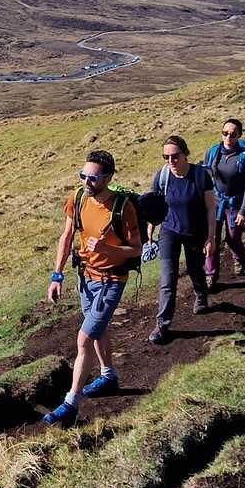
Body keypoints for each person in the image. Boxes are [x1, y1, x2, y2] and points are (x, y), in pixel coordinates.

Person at [43, 149, 145, 426]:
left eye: (93, 177)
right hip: (86, 278)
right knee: (98, 331)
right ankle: (109, 376)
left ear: (108, 178)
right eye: (83, 176)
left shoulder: (123, 208)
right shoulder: (77, 199)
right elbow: (66, 236)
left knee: (84, 339)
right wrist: (57, 275)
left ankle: (71, 403)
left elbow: (136, 249)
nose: (87, 182)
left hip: (112, 280)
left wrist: (106, 247)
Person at [148, 135, 216, 344]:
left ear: (185, 154)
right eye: (166, 156)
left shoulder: (200, 175)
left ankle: (201, 295)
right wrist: (150, 230)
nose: (171, 161)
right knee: (168, 278)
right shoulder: (162, 176)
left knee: (195, 269)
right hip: (169, 232)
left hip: (195, 231)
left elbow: (211, 208)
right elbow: (154, 206)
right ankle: (162, 325)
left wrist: (211, 237)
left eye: (175, 156)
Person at [204, 118, 245, 284]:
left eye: (233, 134)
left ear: (239, 135)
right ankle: (210, 274)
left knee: (233, 237)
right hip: (216, 201)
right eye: (225, 133)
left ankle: (239, 258)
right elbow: (207, 175)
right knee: (211, 237)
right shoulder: (214, 152)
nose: (228, 137)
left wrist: (244, 210)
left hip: (235, 202)